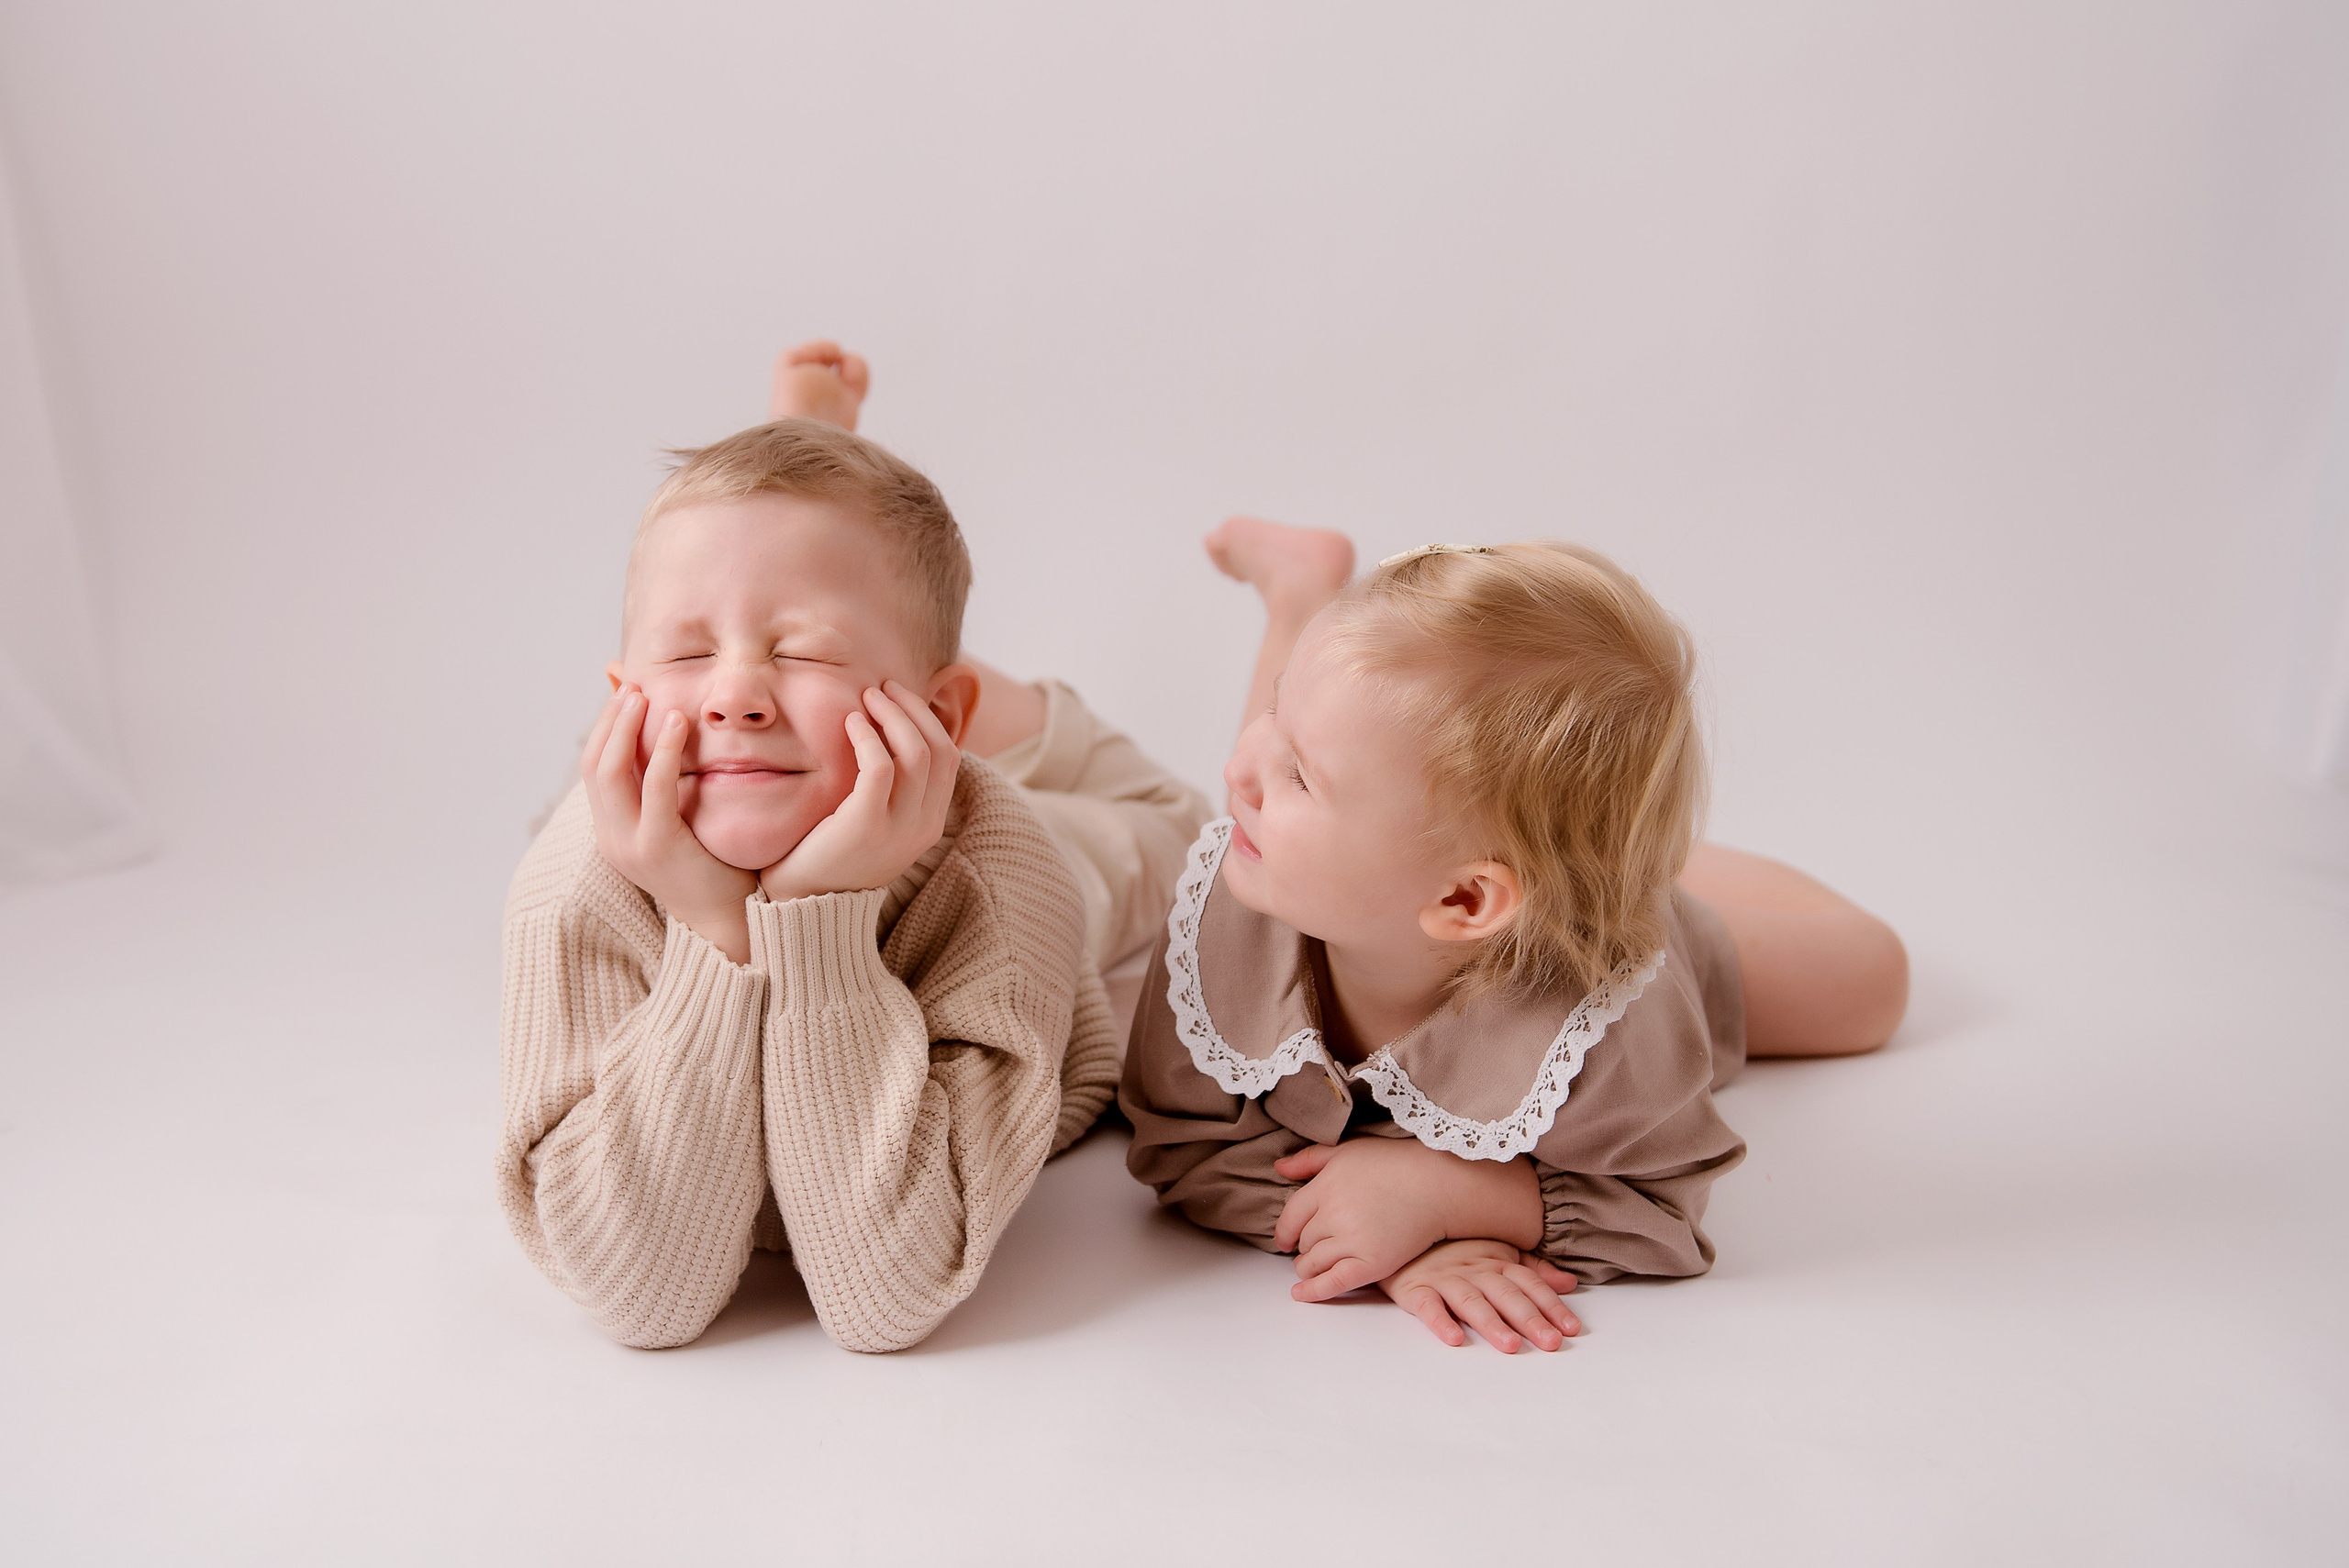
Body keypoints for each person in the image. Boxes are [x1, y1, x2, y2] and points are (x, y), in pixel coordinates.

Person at [497, 344, 1209, 1351]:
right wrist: (713, 927)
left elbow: (885, 1295)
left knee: (1174, 822)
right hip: (770, 774)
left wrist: (813, 919)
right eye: (689, 650)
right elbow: (637, 1294)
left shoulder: (1008, 877)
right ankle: (822, 510)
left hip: (984, 835)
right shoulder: (572, 876)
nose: (734, 692)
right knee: (685, 728)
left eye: (801, 649)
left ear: (940, 716)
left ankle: (876, 581)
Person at [1119, 521, 1908, 1352]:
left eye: (1301, 777)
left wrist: (1465, 1198)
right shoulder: (1228, 914)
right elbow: (1180, 1143)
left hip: (1641, 938)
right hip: (1445, 875)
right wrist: (1380, 1239)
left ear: (1464, 898)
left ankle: (1644, 868)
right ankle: (1299, 598)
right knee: (1316, 743)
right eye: (1273, 709)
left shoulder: (1604, 1028)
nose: (1236, 768)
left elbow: (1664, 1204)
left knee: (1875, 985)